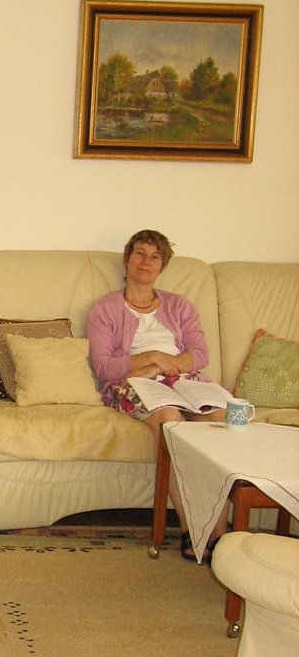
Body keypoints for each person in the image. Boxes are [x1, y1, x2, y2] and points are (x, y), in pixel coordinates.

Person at [86, 228, 226, 562]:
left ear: (162, 266)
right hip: (134, 383)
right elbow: (104, 367)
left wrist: (163, 365)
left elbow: (200, 355)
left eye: (155, 257)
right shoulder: (105, 310)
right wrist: (151, 361)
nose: (146, 262)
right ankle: (192, 530)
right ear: (127, 259)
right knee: (170, 422)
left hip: (184, 379)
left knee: (219, 422)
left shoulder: (180, 306)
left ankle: (221, 537)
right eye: (140, 253)